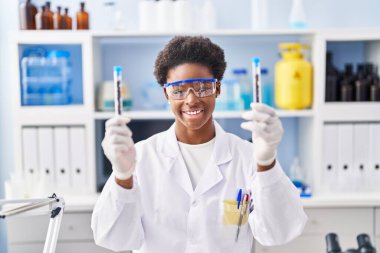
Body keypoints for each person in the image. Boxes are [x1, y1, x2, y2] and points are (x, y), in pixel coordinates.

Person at [91, 36, 307, 253]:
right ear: (167, 93)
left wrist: (267, 163)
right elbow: (114, 239)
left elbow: (280, 232)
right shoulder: (141, 157)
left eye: (203, 87)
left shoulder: (248, 156)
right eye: (179, 89)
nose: (192, 99)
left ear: (218, 89)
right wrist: (122, 176)